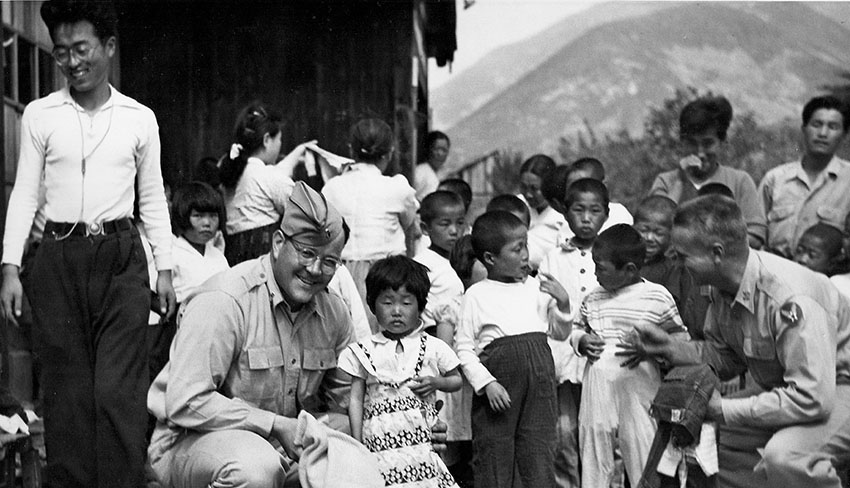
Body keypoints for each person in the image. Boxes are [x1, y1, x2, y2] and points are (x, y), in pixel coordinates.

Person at [0, 1, 175, 486]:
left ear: (109, 48)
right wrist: (10, 267)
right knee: (67, 395)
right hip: (57, 260)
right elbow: (24, 195)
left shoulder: (139, 119)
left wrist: (164, 269)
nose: (72, 63)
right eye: (61, 53)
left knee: (116, 393)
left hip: (121, 259)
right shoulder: (39, 116)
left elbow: (153, 198)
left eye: (82, 49)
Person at [148, 182, 409, 487]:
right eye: (307, 253)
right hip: (193, 443)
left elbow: (350, 399)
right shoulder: (225, 299)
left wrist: (408, 422)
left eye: (329, 262)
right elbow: (186, 402)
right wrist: (273, 424)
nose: (315, 269)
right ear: (277, 243)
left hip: (283, 446)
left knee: (357, 440)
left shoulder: (333, 311)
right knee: (256, 469)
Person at [619, 194, 850, 488]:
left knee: (786, 456)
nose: (677, 263)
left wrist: (724, 409)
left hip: (837, 390)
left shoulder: (789, 297)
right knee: (704, 435)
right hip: (792, 389)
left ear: (717, 253)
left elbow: (812, 398)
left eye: (684, 255)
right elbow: (724, 356)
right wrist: (668, 347)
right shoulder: (723, 285)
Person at [455, 210, 570, 488]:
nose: (525, 255)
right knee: (495, 456)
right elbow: (463, 349)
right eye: (516, 249)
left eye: (526, 246)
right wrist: (487, 383)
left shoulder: (537, 288)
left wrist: (564, 305)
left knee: (538, 451)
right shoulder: (476, 295)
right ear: (491, 259)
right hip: (500, 389)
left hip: (540, 388)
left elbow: (559, 332)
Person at [570, 224, 688, 488]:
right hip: (598, 384)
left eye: (602, 268)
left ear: (630, 270)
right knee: (594, 443)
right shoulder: (594, 297)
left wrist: (655, 350)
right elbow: (577, 328)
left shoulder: (657, 297)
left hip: (639, 384)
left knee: (641, 443)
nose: (596, 273)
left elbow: (680, 338)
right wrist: (581, 341)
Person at [339, 255, 462, 488]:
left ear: (421, 306)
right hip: (379, 444)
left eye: (406, 303)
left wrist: (436, 383)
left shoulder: (432, 347)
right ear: (372, 304)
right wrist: (358, 442)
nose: (396, 311)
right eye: (387, 302)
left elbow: (456, 380)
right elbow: (355, 398)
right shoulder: (364, 351)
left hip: (421, 444)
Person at [538, 177, 609, 488]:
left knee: (603, 431)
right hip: (564, 356)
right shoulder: (554, 258)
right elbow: (545, 311)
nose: (586, 218)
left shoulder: (612, 256)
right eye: (579, 210)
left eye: (594, 211)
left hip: (602, 355)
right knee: (564, 433)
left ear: (606, 214)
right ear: (565, 214)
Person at [322, 118, 419, 331]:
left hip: (342, 272)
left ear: (351, 149)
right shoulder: (397, 187)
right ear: (389, 153)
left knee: (349, 335)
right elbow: (408, 221)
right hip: (386, 275)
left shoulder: (333, 187)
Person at [650, 96, 766, 249]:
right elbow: (654, 228)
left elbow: (756, 235)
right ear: (681, 143)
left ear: (722, 143)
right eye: (692, 143)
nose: (700, 153)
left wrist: (708, 248)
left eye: (708, 143)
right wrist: (679, 182)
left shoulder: (740, 181)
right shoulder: (665, 181)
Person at [413, 191, 471, 477]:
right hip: (436, 353)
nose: (453, 231)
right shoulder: (426, 264)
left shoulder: (453, 261)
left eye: (459, 223)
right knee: (439, 437)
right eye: (444, 224)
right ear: (425, 228)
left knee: (453, 438)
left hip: (452, 353)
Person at [759, 95, 850, 258]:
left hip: (827, 279)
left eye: (833, 127)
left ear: (844, 135)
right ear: (804, 128)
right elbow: (755, 233)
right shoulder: (775, 178)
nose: (823, 133)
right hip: (775, 273)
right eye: (816, 124)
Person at [634, 195, 710, 339]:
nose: (649, 238)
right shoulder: (626, 262)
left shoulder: (674, 268)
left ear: (672, 235)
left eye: (658, 233)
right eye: (643, 230)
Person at [169, 181, 230, 303]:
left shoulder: (218, 256)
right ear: (183, 216)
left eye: (213, 216)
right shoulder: (172, 254)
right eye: (198, 216)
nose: (207, 223)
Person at [517, 155, 565, 269]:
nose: (528, 194)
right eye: (524, 187)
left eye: (534, 189)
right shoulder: (517, 205)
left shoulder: (561, 214)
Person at [414, 131, 452, 201]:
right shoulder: (419, 172)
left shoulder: (445, 174)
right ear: (428, 149)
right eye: (436, 149)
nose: (440, 153)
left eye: (444, 150)